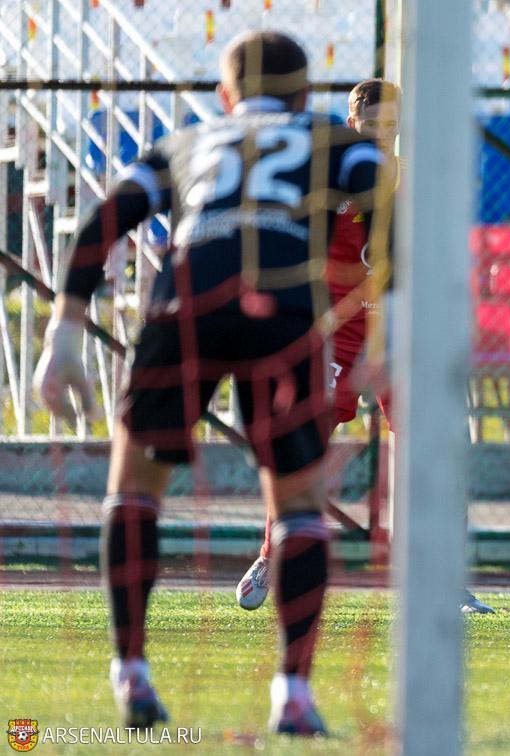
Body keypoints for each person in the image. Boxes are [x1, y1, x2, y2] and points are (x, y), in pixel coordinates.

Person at [33, 31, 391, 734]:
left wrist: (65, 330)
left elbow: (105, 218)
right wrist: (395, 320)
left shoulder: (188, 142)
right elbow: (391, 204)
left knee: (134, 492)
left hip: (186, 305)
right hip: (286, 313)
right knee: (298, 507)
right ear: (305, 95)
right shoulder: (333, 140)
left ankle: (131, 671)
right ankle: (293, 692)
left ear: (226, 96)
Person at [232, 79, 495, 616]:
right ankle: (272, 555)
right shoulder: (328, 180)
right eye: (372, 124)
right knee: (303, 445)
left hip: (403, 329)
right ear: (353, 124)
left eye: (391, 125)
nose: (382, 134)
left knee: (438, 449)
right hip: (339, 329)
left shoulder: (421, 178)